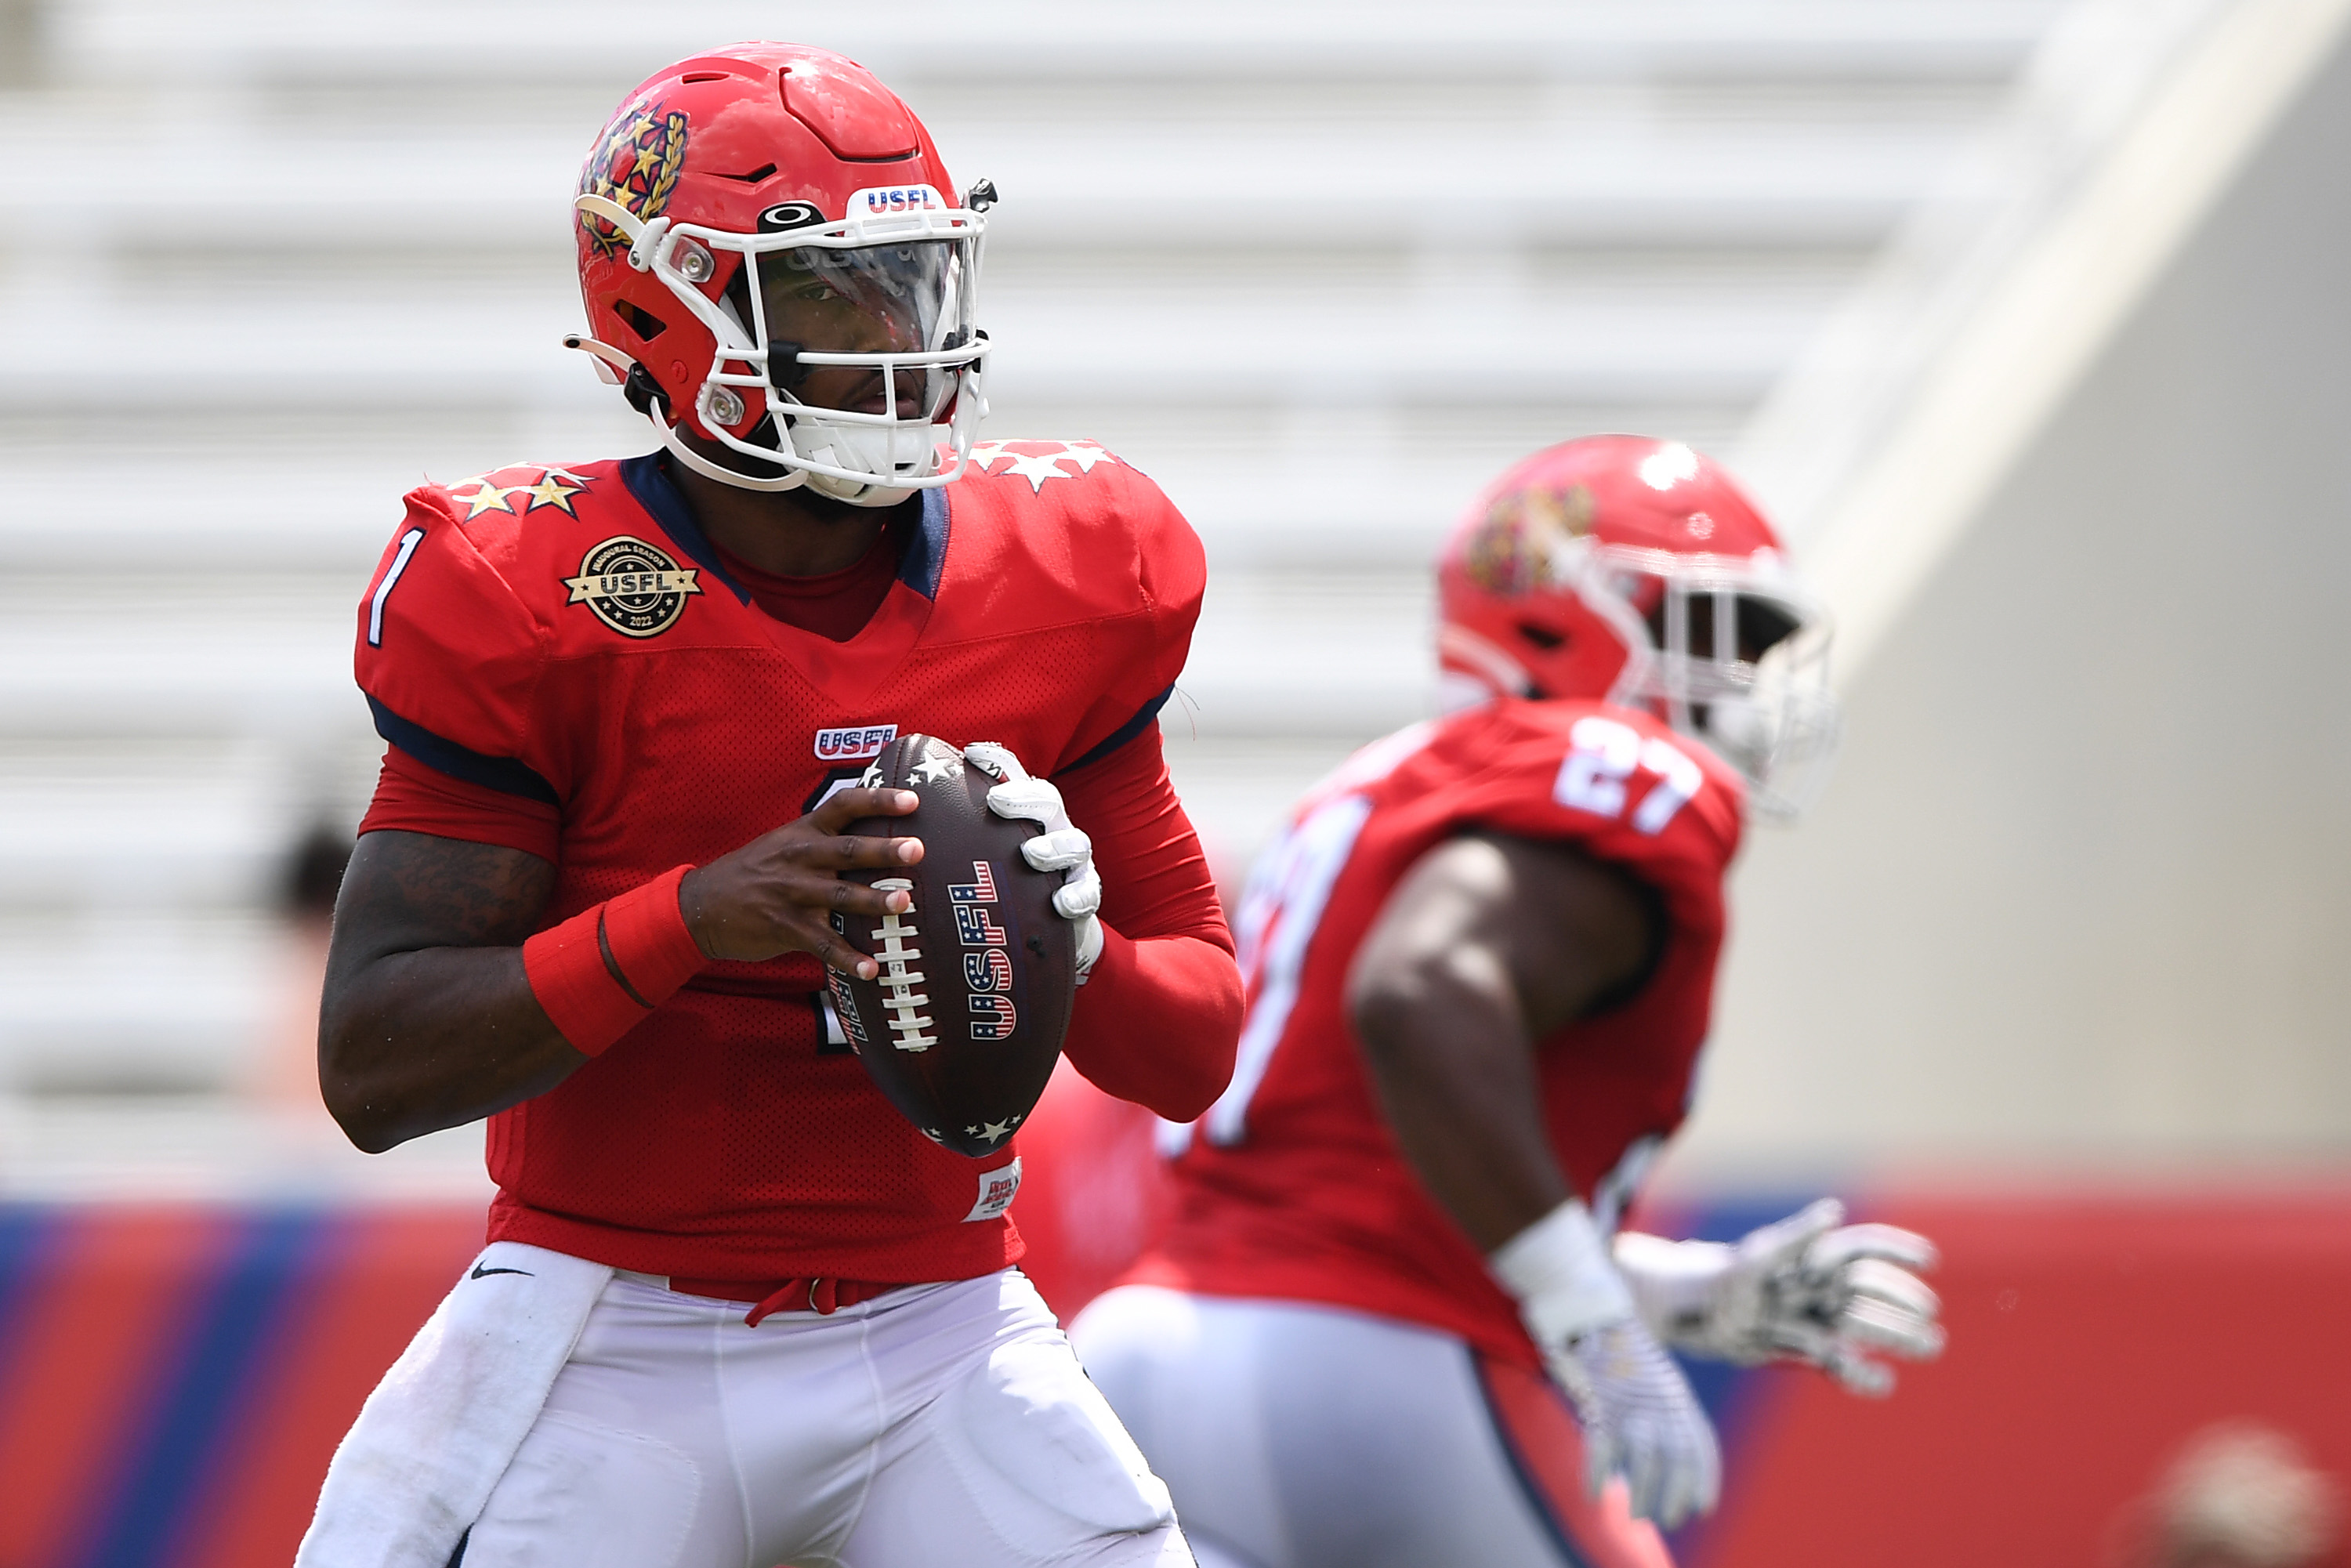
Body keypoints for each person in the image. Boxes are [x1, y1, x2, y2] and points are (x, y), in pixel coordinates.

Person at [295, 43, 1241, 1568]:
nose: (894, 340)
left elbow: (1194, 1047)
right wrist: (695, 915)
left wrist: (1068, 948)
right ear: (663, 310)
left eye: (912, 283)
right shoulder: (532, 595)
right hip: (615, 1331)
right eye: (824, 293)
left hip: (945, 1324)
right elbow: (374, 1057)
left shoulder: (1074, 568)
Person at [1068, 436, 1945, 1568]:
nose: (1745, 685)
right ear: (1560, 621)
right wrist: (1597, 1323)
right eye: (1718, 637)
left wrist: (1686, 1294)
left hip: (1153, 1354)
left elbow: (1363, 1181)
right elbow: (1421, 995)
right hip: (1382, 1375)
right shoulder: (1622, 773)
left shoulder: (1376, 787)